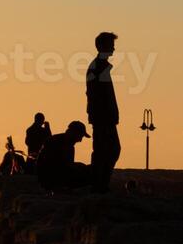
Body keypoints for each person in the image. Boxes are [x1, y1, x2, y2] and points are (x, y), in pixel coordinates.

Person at [86, 31, 121, 193]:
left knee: (108, 149)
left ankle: (100, 184)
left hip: (104, 117)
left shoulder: (100, 67)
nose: (113, 49)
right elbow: (96, 95)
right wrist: (105, 115)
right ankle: (99, 185)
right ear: (102, 46)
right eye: (111, 45)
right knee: (107, 150)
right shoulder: (98, 68)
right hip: (103, 118)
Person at [37, 121, 92, 192]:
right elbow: (61, 166)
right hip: (52, 179)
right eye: (80, 136)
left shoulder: (61, 142)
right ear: (74, 133)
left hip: (50, 177)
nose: (80, 140)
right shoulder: (61, 143)